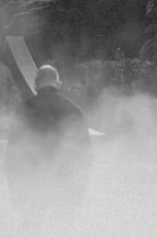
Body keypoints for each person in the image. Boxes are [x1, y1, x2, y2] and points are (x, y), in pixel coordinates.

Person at [6, 65, 92, 219]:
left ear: (36, 84)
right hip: (64, 184)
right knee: (62, 234)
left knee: (32, 232)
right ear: (58, 84)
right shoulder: (74, 111)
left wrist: (15, 189)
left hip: (32, 184)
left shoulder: (24, 110)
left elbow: (14, 153)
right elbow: (85, 154)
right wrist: (79, 190)